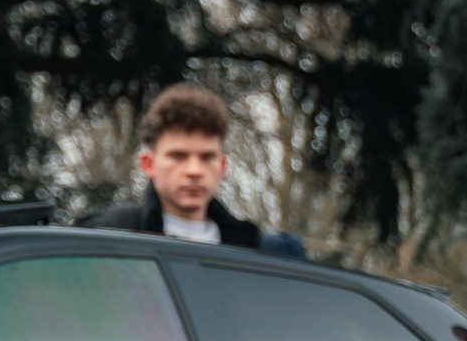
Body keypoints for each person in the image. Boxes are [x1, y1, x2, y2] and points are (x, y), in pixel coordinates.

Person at [84, 83, 308, 254]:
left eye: (207, 157)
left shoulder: (264, 253)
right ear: (148, 164)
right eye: (178, 156)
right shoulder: (110, 237)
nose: (194, 170)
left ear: (221, 167)